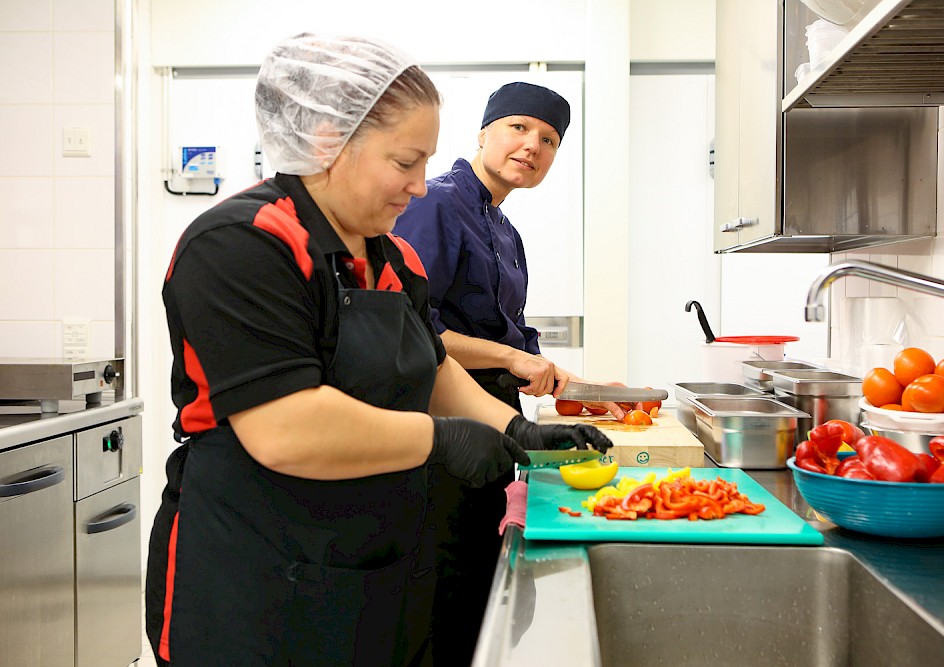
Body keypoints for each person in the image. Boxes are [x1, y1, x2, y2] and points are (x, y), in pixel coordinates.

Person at [143, 34, 612, 667]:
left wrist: (515, 429)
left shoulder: (391, 254)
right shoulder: (243, 243)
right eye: (404, 162)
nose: (421, 187)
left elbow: (434, 361)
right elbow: (284, 428)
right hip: (256, 575)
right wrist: (440, 440)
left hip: (371, 561)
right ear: (325, 141)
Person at [393, 82, 622, 665]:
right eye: (519, 128)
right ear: (484, 133)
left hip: (498, 423)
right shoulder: (436, 204)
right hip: (444, 425)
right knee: (445, 595)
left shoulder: (504, 229)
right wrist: (511, 359)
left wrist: (582, 389)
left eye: (549, 139)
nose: (533, 146)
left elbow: (515, 341)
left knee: (483, 589)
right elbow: (415, 331)